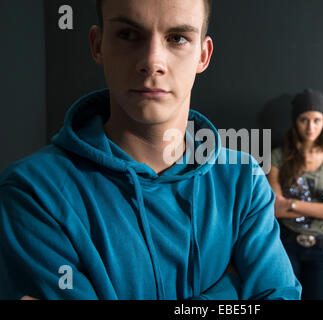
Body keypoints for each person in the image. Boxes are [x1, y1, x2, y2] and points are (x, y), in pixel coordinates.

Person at [0, 0, 301, 300]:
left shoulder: (242, 180)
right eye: (128, 35)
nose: (152, 61)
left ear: (203, 55)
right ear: (98, 45)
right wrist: (230, 292)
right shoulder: (32, 192)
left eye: (178, 38)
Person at [267, 89, 323, 300]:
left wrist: (290, 204)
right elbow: (274, 208)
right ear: (295, 121)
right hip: (286, 243)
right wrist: (319, 207)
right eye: (304, 120)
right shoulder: (277, 157)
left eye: (317, 120)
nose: (311, 127)